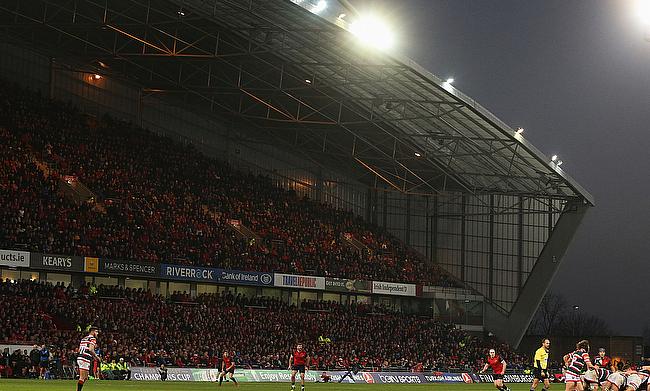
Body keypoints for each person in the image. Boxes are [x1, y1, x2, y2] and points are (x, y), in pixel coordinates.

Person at [76, 326, 101, 391]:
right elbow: (91, 349)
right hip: (84, 358)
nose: (97, 333)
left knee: (86, 377)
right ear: (92, 331)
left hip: (82, 357)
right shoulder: (93, 339)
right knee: (82, 377)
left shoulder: (84, 338)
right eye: (96, 331)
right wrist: (96, 357)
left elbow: (79, 350)